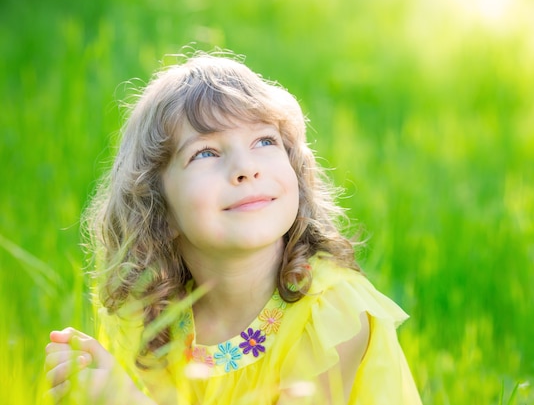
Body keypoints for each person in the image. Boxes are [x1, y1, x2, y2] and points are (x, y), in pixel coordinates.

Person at [44, 51, 422, 405]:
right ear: (159, 209)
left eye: (264, 140)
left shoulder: (333, 315)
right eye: (205, 152)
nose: (246, 167)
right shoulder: (159, 317)